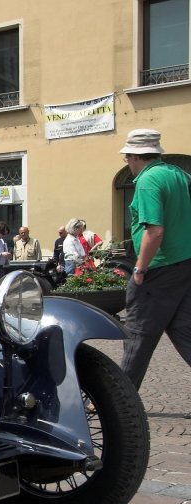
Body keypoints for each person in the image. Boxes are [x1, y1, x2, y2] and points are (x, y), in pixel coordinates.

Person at [116, 128, 191, 392]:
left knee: (137, 336)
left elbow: (155, 231)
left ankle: (120, 400)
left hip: (157, 269)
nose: (127, 162)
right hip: (184, 263)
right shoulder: (177, 174)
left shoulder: (148, 181)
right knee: (185, 332)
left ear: (134, 156)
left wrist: (140, 268)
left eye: (127, 157)